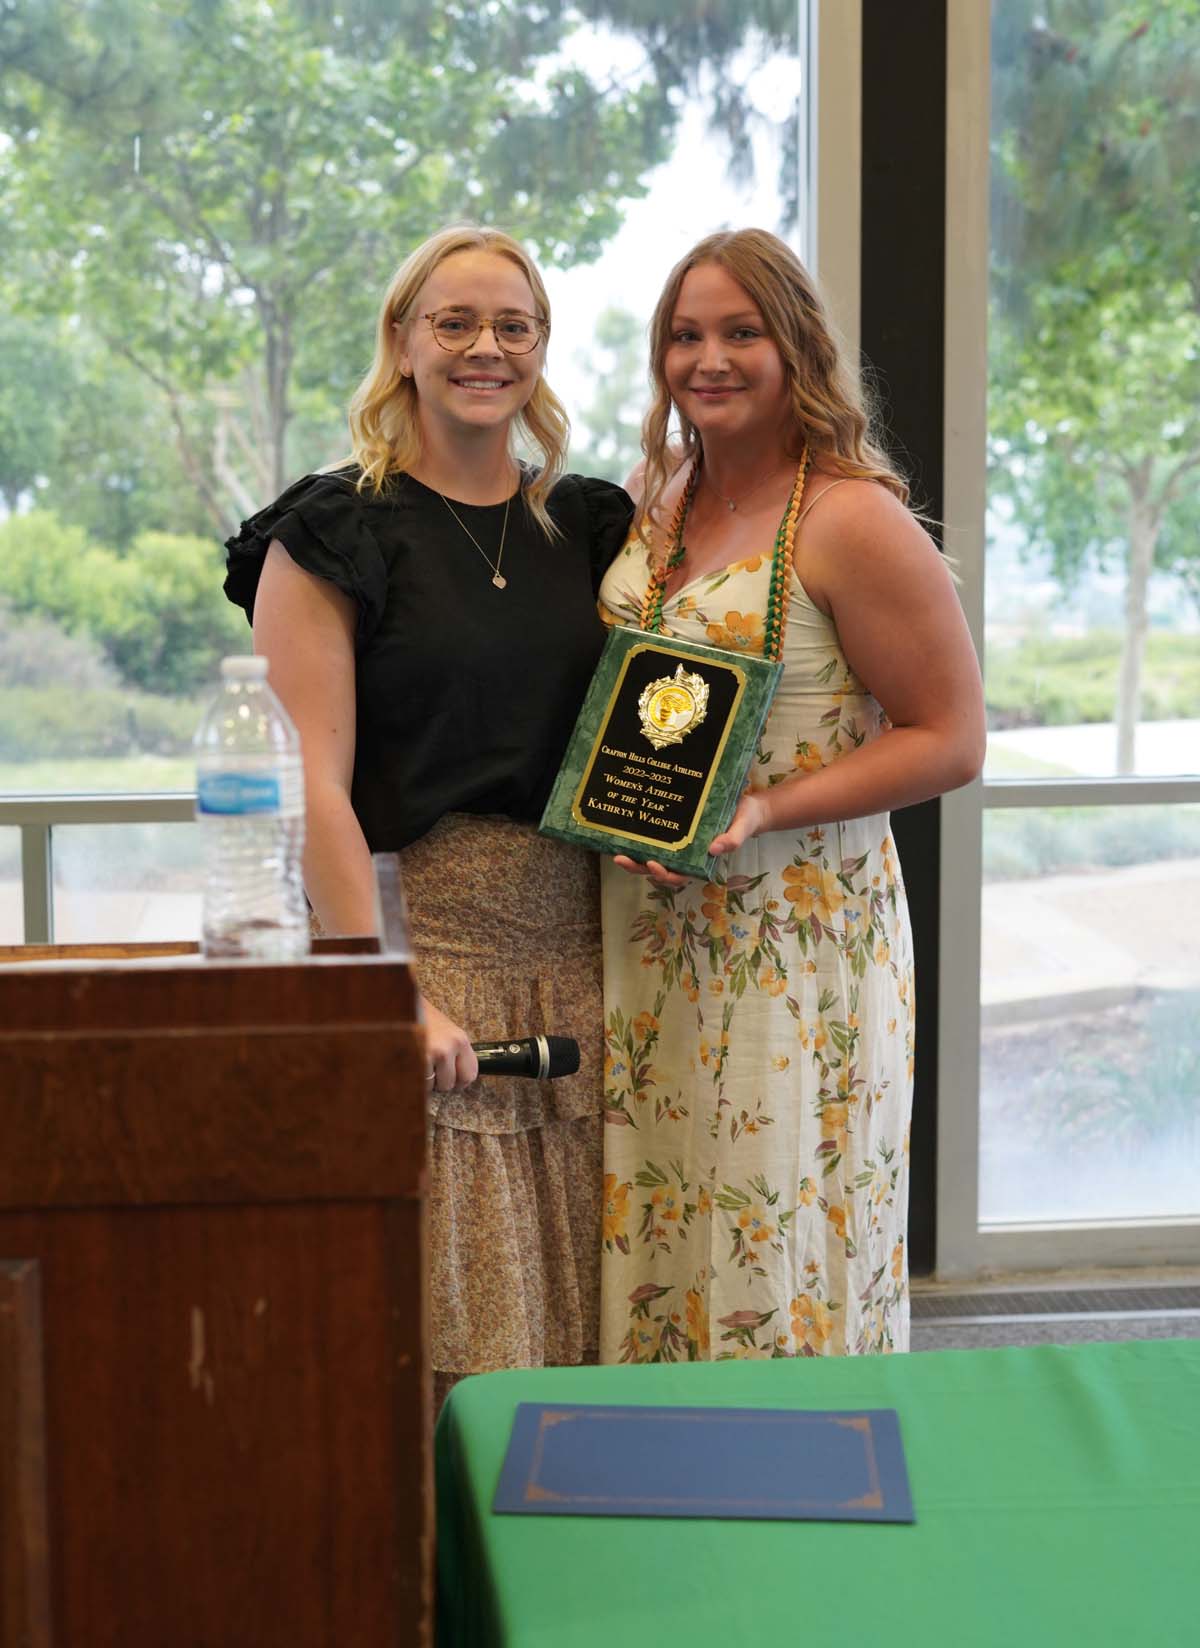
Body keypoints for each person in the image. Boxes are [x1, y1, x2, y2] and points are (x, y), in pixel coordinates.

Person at [223, 225, 633, 1406]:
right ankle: (444, 1594)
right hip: (434, 959)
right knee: (459, 1350)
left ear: (543, 347)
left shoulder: (592, 525)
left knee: (592, 1341)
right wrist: (391, 987)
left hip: (596, 963)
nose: (484, 347)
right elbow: (313, 778)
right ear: (402, 342)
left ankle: (572, 1593)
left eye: (513, 324)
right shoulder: (334, 531)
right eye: (453, 322)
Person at [597, 229, 985, 1361]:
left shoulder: (852, 517)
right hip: (648, 922)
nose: (706, 359)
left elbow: (952, 738)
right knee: (666, 1206)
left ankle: (791, 1486)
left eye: (738, 332)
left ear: (796, 346)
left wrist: (763, 809)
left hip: (792, 927)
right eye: (684, 334)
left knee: (771, 1228)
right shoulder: (656, 493)